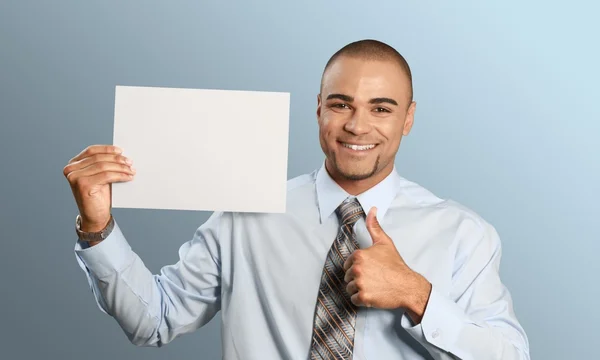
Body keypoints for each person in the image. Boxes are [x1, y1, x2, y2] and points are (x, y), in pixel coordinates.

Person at [64, 39, 530, 360]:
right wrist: (97, 226)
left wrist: (415, 294)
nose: (357, 125)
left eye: (381, 108)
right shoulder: (245, 211)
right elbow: (155, 322)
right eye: (341, 103)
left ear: (408, 118)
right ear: (319, 108)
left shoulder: (463, 234)